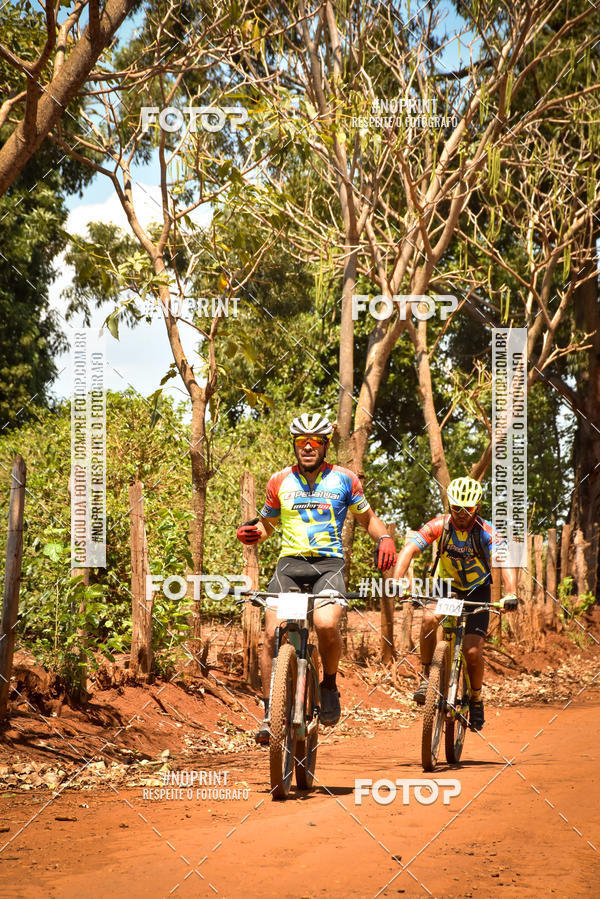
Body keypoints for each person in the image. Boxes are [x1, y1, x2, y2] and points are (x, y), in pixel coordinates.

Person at [236, 412, 397, 743]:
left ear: (325, 446)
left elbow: (369, 520)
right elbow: (268, 524)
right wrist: (255, 533)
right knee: (270, 634)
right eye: (301, 442)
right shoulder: (279, 481)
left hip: (328, 565)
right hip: (289, 565)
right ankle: (270, 712)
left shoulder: (345, 479)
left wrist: (384, 538)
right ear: (294, 446)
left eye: (314, 442)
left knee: (325, 624)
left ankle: (329, 684)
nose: (307, 448)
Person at [391, 475, 517, 731]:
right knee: (428, 619)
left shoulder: (487, 532)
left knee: (472, 652)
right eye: (456, 507)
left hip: (477, 591)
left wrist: (511, 593)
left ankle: (477, 699)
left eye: (467, 509)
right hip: (447, 588)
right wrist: (397, 580)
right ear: (449, 505)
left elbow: (505, 561)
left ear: (477, 507)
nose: (460, 514)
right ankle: (428, 677)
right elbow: (410, 549)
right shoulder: (440, 525)